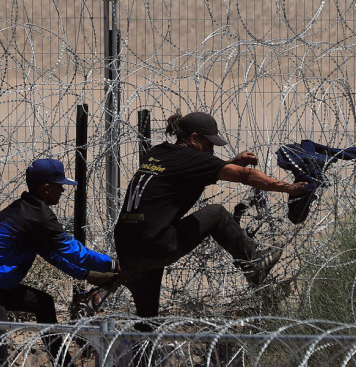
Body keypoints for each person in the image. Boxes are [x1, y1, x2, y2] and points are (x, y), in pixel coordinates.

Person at [114, 111, 308, 335]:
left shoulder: (159, 153)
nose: (212, 150)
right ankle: (254, 264)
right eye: (209, 144)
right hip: (156, 244)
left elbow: (195, 171)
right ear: (194, 139)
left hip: (127, 250)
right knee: (217, 214)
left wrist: (231, 163)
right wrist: (287, 188)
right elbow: (245, 176)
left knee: (147, 321)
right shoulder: (191, 159)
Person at [0, 158, 122, 367]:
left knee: (43, 303)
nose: (63, 190)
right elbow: (73, 252)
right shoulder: (38, 216)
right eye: (59, 185)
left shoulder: (27, 210)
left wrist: (89, 275)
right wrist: (112, 265)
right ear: (46, 188)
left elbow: (52, 254)